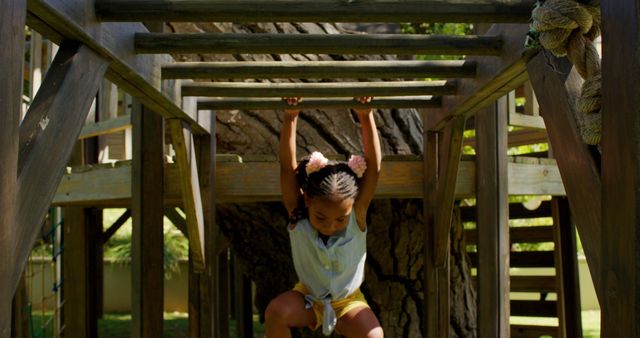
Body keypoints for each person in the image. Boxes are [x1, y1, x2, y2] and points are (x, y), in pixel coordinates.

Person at [265, 97, 383, 338]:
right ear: (307, 201)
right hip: (308, 298)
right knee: (276, 312)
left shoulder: (357, 215)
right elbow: (287, 168)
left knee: (374, 335)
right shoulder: (297, 214)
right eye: (321, 218)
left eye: (340, 219)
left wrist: (365, 116)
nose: (330, 226)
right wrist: (290, 117)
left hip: (348, 301)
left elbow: (374, 169)